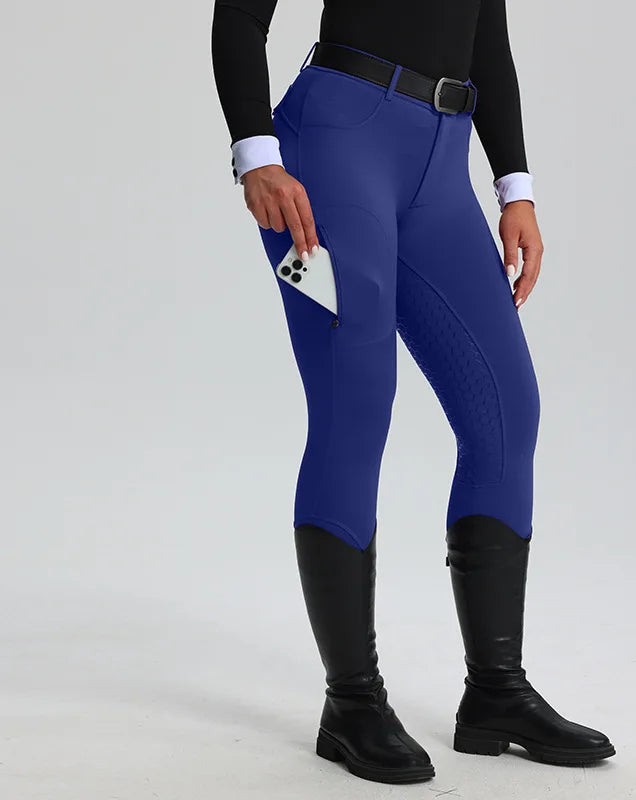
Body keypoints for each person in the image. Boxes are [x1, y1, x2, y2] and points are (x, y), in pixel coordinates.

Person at [211, 0, 615, 784]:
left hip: (441, 162)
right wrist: (255, 154)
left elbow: (487, 37)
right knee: (356, 403)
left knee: (507, 411)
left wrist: (516, 188)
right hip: (334, 146)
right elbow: (241, 13)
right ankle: (352, 703)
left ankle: (496, 691)